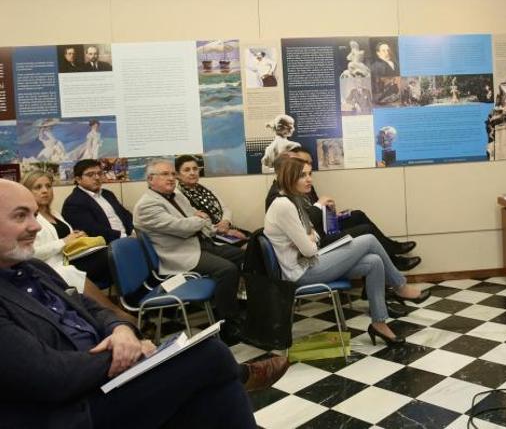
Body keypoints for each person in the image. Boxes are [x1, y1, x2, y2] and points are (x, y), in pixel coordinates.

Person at [0, 179, 289, 428]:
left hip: (104, 379)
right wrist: (129, 354)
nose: (35, 226)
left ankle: (237, 377)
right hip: (72, 411)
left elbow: (93, 308)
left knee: (215, 392)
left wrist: (121, 332)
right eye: (21, 216)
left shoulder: (35, 269)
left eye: (35, 215)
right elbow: (50, 376)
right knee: (210, 356)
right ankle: (243, 375)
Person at [264, 157, 430, 346]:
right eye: (303, 175)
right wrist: (308, 239)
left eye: (310, 174)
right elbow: (310, 249)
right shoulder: (284, 205)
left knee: (374, 261)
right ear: (290, 176)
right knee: (368, 239)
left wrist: (309, 238)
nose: (309, 179)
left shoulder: (295, 200)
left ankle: (379, 323)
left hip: (309, 262)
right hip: (301, 273)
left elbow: (314, 238)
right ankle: (400, 286)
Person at [133, 160, 245, 341]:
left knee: (242, 255)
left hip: (197, 243)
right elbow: (183, 226)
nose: (171, 178)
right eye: (165, 174)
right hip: (178, 255)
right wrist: (199, 220)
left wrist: (199, 220)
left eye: (172, 174)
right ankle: (228, 324)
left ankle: (236, 306)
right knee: (227, 269)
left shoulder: (177, 195)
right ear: (150, 179)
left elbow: (197, 219)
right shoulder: (146, 206)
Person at [266, 147, 421, 271]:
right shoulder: (279, 199)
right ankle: (394, 264)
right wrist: (319, 206)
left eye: (309, 169)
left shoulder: (299, 189)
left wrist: (330, 213)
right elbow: (305, 227)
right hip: (317, 244)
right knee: (366, 233)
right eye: (301, 170)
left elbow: (308, 222)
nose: (308, 176)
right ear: (286, 171)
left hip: (320, 232)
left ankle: (392, 251)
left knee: (357, 215)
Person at [21, 170, 132, 321]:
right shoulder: (28, 219)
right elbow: (31, 253)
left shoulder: (54, 213)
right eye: (38, 187)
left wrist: (77, 236)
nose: (45, 191)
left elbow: (66, 236)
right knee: (112, 257)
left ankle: (125, 308)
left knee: (117, 255)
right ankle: (120, 313)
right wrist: (64, 241)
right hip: (52, 267)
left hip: (73, 257)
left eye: (48, 186)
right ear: (26, 191)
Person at [175, 155, 249, 244]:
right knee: (249, 247)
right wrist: (224, 231)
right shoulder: (178, 195)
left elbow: (225, 208)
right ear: (177, 175)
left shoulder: (206, 188)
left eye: (195, 169)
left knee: (254, 239)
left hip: (226, 227)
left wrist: (226, 221)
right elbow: (198, 223)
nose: (192, 173)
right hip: (209, 236)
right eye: (187, 170)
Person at [62, 159, 134, 244]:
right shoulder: (73, 202)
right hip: (104, 247)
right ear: (78, 179)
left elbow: (126, 215)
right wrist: (124, 237)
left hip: (127, 239)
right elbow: (92, 230)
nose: (97, 177)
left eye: (99, 173)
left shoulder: (107, 194)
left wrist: (134, 231)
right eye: (90, 174)